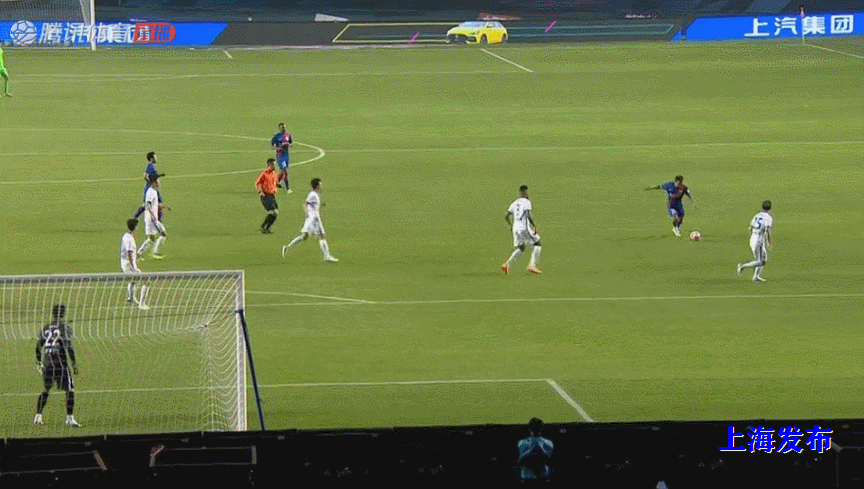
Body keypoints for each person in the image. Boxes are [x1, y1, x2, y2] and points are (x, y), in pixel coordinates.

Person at [34, 304, 80, 427]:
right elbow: (69, 347)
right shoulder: (65, 328)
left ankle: (38, 416)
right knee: (70, 389)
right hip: (60, 363)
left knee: (46, 389)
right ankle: (69, 418)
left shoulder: (46, 328)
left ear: (53, 314)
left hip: (48, 361)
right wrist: (74, 364)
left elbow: (38, 347)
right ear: (63, 314)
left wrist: (39, 362)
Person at [281, 178, 338, 262]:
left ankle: (287, 247)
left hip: (314, 218)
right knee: (320, 236)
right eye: (320, 184)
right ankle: (326, 256)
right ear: (317, 186)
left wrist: (320, 205)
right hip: (313, 219)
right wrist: (307, 214)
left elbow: (313, 205)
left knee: (306, 236)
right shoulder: (313, 194)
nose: (321, 186)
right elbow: (305, 204)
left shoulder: (315, 194)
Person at [502, 185, 542, 275]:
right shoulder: (527, 202)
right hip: (524, 227)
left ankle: (506, 264)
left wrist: (511, 225)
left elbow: (506, 216)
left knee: (521, 248)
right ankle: (532, 266)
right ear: (525, 193)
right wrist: (534, 225)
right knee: (537, 243)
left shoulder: (514, 203)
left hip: (515, 228)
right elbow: (528, 214)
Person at [737, 200, 773, 282]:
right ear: (770, 208)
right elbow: (767, 230)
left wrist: (753, 236)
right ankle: (742, 266)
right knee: (759, 261)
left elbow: (750, 228)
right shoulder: (768, 218)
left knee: (764, 259)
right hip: (758, 240)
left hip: (754, 237)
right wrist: (769, 242)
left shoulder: (757, 215)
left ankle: (756, 276)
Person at [121, 218, 149, 309]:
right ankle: (142, 304)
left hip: (125, 263)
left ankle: (131, 297)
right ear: (135, 227)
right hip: (128, 264)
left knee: (133, 281)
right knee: (146, 281)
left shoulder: (126, 236)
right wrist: (133, 266)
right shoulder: (129, 239)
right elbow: (129, 252)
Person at [137, 179, 168, 259]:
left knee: (153, 237)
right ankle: (154, 252)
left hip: (153, 218)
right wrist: (151, 215)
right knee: (161, 234)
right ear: (154, 183)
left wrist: (163, 207)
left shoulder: (154, 191)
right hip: (151, 218)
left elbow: (154, 204)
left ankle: (139, 254)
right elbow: (148, 205)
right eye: (158, 182)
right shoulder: (150, 192)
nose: (159, 184)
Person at [517, 417, 553, 482]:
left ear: (529, 428)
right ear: (542, 429)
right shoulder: (548, 443)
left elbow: (520, 462)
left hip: (528, 478)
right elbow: (549, 461)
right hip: (541, 477)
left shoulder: (522, 443)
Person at [131, 152, 165, 220]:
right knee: (150, 205)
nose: (156, 158)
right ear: (151, 158)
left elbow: (147, 176)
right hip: (151, 188)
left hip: (153, 188)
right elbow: (153, 176)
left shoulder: (150, 166)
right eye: (155, 157)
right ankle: (134, 218)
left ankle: (135, 218)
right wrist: (159, 176)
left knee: (155, 205)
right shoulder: (151, 167)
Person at [255, 158, 280, 234]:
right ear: (269, 165)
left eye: (275, 164)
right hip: (265, 195)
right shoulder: (264, 174)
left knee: (276, 213)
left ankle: (267, 228)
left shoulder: (274, 173)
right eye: (273, 164)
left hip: (272, 196)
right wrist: (260, 192)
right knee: (273, 212)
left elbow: (275, 182)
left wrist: (278, 185)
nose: (275, 166)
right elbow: (258, 183)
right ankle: (263, 227)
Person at [270, 122, 293, 193]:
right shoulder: (276, 136)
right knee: (285, 170)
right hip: (280, 156)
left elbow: (291, 143)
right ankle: (288, 188)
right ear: (279, 128)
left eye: (284, 127)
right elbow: (272, 145)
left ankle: (276, 182)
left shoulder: (288, 135)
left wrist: (288, 145)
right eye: (282, 128)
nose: (283, 129)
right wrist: (277, 148)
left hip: (286, 156)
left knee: (283, 171)